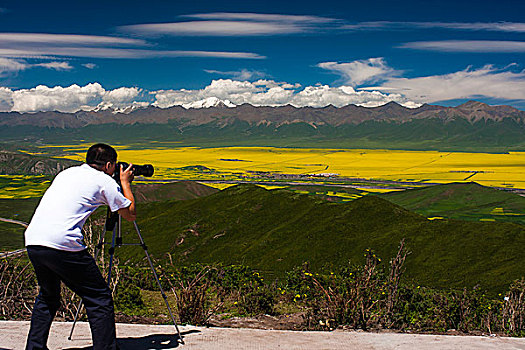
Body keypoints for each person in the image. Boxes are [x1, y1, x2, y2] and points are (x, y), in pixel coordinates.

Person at [24, 143, 136, 350]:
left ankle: (34, 347)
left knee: (48, 296)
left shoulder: (67, 173)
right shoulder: (104, 181)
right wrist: (125, 183)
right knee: (99, 298)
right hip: (63, 243)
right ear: (110, 164)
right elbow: (129, 213)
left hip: (34, 239)